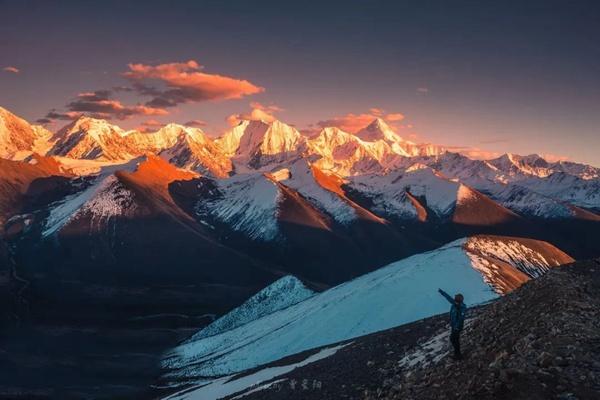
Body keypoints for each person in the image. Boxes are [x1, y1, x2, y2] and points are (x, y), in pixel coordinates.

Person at [438, 288, 467, 360]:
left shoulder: (461, 307)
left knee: (453, 339)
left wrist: (456, 327)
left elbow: (461, 318)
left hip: (457, 327)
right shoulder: (455, 304)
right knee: (455, 339)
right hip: (454, 326)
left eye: (456, 298)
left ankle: (458, 355)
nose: (454, 299)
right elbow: (448, 298)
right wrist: (442, 292)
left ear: (459, 300)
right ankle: (457, 354)